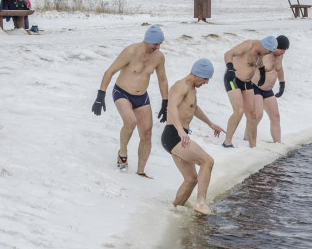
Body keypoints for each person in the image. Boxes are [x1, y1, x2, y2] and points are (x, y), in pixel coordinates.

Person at [91, 24, 169, 177]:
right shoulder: (131, 51)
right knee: (131, 121)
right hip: (122, 93)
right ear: (147, 41)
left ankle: (140, 171)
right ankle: (123, 153)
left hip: (142, 97)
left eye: (160, 44)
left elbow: (162, 80)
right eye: (156, 44)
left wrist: (165, 102)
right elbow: (110, 71)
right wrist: (100, 95)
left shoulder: (159, 57)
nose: (158, 47)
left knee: (146, 133)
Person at [161, 58, 225, 215]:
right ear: (197, 74)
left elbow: (194, 108)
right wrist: (180, 131)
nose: (206, 82)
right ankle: (201, 203)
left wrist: (210, 124)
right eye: (205, 78)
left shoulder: (191, 89)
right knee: (207, 161)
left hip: (177, 135)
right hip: (174, 135)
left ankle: (174, 210)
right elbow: (171, 107)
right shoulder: (180, 86)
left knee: (191, 179)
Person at [222, 35, 277, 148]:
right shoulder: (248, 45)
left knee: (252, 114)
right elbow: (228, 54)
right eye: (268, 51)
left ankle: (253, 146)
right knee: (239, 111)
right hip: (233, 79)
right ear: (264, 46)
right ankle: (227, 142)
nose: (268, 53)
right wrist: (230, 67)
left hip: (247, 82)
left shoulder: (262, 52)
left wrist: (262, 73)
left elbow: (259, 62)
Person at [248, 34, 290, 143]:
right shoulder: (264, 54)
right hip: (255, 87)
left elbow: (279, 69)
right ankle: (247, 138)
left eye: (285, 50)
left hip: (268, 90)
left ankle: (278, 143)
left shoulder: (280, 56)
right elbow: (247, 65)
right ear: (275, 47)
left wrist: (282, 84)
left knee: (275, 117)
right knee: (258, 114)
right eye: (282, 49)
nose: (283, 52)